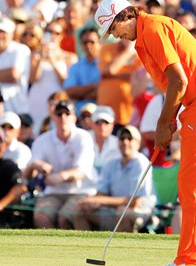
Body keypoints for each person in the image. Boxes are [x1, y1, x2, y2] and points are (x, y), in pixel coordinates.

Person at [94, 0, 196, 266]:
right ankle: (188, 260)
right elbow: (176, 85)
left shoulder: (153, 28)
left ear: (125, 15)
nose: (115, 37)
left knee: (195, 185)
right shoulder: (144, 38)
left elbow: (179, 79)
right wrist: (169, 119)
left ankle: (192, 263)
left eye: (113, 29)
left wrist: (162, 121)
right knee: (189, 183)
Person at [23, 99, 96, 229]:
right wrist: (37, 165)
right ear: (53, 117)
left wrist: (59, 177)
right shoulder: (42, 140)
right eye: (59, 114)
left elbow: (80, 172)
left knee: (65, 217)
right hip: (53, 193)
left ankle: (73, 249)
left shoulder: (83, 137)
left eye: (67, 114)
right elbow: (30, 170)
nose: (63, 117)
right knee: (41, 216)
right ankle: (51, 248)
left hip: (81, 191)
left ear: (74, 117)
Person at [73, 124, 156, 232]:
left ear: (138, 143)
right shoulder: (111, 163)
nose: (125, 142)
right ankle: (87, 247)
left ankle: (123, 248)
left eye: (130, 139)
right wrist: (92, 202)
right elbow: (102, 193)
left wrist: (100, 200)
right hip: (114, 209)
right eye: (122, 138)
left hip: (141, 212)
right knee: (79, 211)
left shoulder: (142, 163)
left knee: (122, 213)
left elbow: (134, 202)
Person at [0, 127, 28, 228]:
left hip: (5, 219)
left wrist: (1, 204)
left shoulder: (8, 166)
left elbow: (20, 188)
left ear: (4, 146)